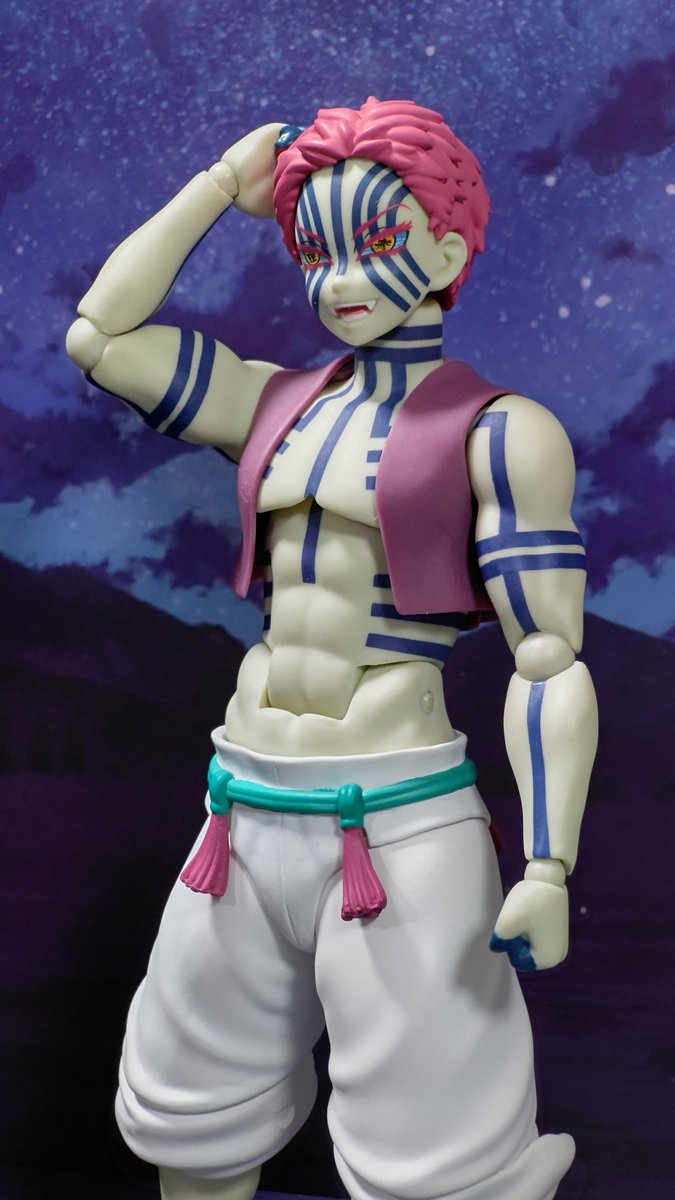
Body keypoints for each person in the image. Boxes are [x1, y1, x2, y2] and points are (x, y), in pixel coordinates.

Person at [66, 98, 598, 1200]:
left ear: (445, 252)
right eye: (316, 249)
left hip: (397, 823)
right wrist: (218, 188)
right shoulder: (274, 403)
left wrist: (549, 866)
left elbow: (549, 655)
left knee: (436, 1161)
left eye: (377, 240)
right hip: (240, 812)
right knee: (190, 1119)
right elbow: (101, 339)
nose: (339, 277)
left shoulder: (501, 432)